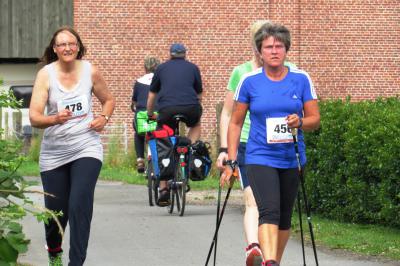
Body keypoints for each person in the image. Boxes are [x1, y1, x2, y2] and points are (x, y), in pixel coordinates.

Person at [220, 22, 320, 266]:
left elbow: (315, 120)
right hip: (259, 155)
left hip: (291, 156)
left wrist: (300, 121)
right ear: (260, 51)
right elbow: (235, 122)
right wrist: (231, 159)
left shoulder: (301, 79)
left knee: (285, 217)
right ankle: (271, 261)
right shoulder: (249, 81)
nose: (274, 51)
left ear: (286, 50)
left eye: (279, 46)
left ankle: (273, 261)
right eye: (268, 47)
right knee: (269, 211)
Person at [29, 26, 115, 265]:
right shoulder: (46, 75)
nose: (67, 48)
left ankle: (76, 262)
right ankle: (54, 253)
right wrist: (55, 118)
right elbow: (35, 117)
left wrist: (103, 118)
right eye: (62, 44)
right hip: (54, 152)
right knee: (56, 213)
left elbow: (108, 100)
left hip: (86, 146)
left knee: (80, 203)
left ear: (78, 47)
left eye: (72, 44)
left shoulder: (90, 71)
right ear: (55, 49)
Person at [147, 43, 203, 206]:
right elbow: (199, 94)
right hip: (190, 107)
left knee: (164, 138)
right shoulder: (193, 68)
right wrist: (196, 108)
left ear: (170, 54)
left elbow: (152, 96)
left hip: (167, 110)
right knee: (196, 125)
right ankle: (188, 149)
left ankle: (164, 189)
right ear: (185, 54)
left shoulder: (161, 69)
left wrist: (150, 114)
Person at [130, 56, 160, 173]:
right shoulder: (161, 80)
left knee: (138, 133)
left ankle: (140, 160)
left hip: (142, 115)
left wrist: (133, 106)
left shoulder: (139, 81)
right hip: (158, 115)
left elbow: (135, 101)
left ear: (145, 68)